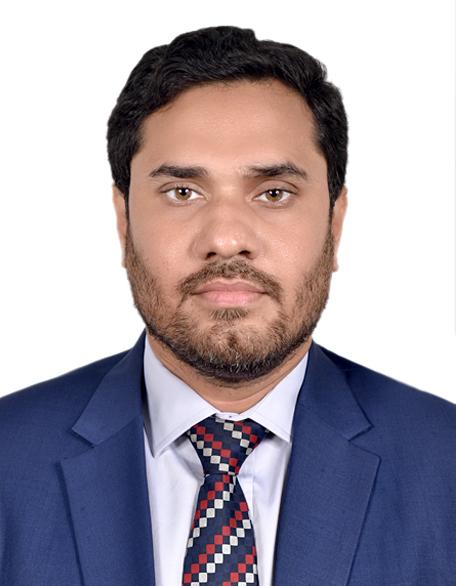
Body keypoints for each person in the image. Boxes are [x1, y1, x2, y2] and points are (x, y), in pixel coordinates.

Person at [1, 25, 455, 586]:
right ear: (123, 222)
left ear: (335, 224)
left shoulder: (446, 465)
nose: (226, 238)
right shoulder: (7, 460)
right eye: (183, 192)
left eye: (274, 193)